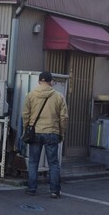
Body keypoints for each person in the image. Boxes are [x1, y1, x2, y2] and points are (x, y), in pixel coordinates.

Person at [22, 71, 69, 199]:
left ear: (39, 81)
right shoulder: (58, 96)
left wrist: (26, 129)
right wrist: (61, 132)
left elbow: (25, 115)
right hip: (52, 132)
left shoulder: (31, 95)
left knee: (33, 162)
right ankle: (54, 191)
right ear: (51, 82)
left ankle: (32, 189)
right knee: (53, 163)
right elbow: (64, 117)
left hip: (35, 132)